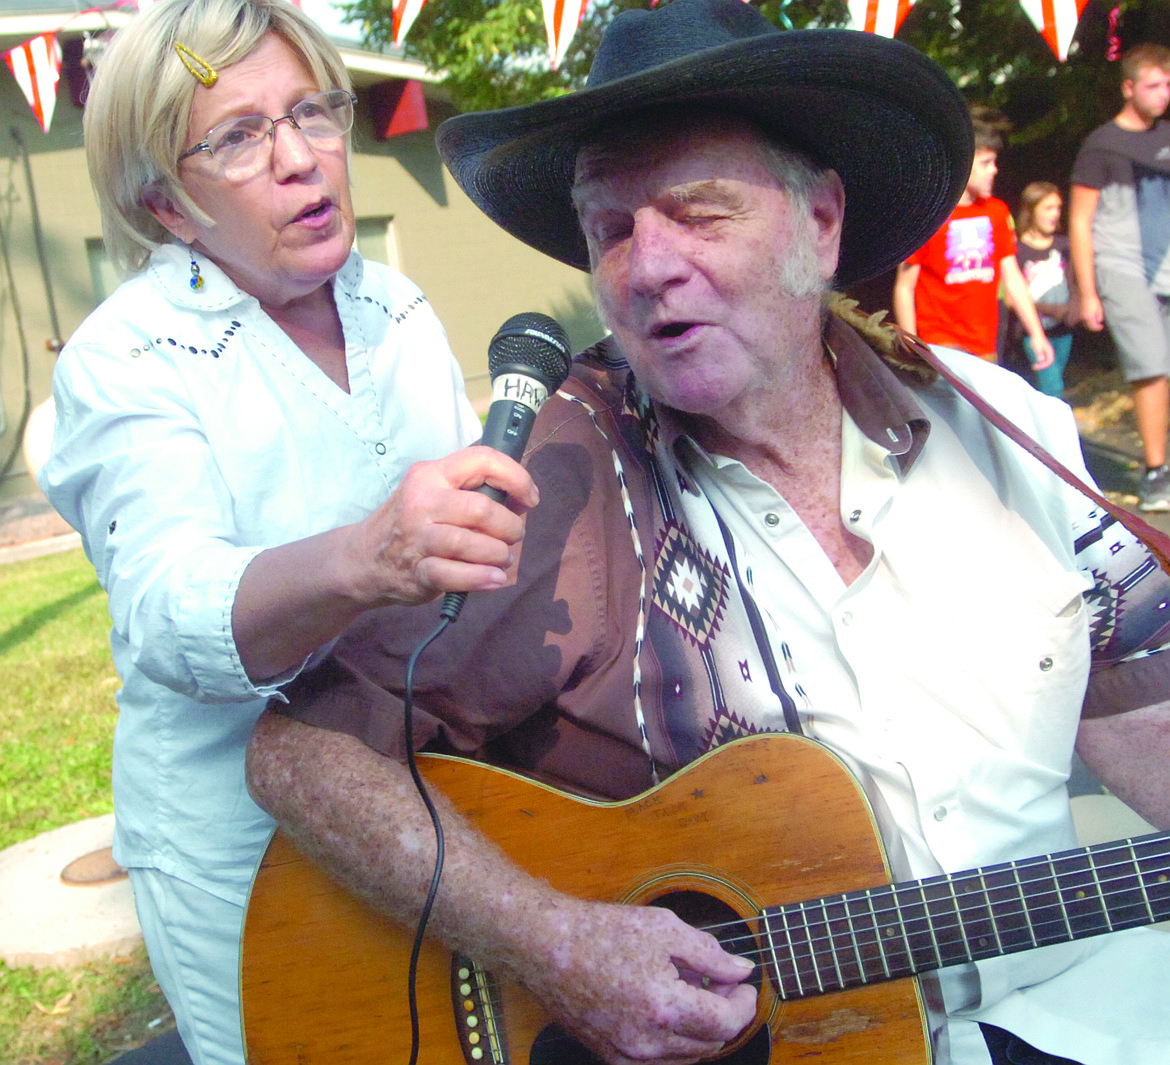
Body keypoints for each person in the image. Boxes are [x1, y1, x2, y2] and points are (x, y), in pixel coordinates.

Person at [246, 2, 1170, 1063]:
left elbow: (1147, 712)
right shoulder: (566, 479)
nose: (648, 267)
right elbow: (303, 754)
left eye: (700, 212)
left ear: (821, 223)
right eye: (612, 230)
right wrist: (555, 944)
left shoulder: (1018, 436)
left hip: (1086, 1010)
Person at [35, 1, 537, 1063]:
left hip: (419, 808)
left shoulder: (393, 308)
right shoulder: (127, 359)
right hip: (236, 843)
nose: (302, 160)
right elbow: (168, 612)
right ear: (165, 206)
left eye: (312, 113)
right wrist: (369, 557)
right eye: (239, 136)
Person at [1070, 43, 1170, 512]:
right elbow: (1080, 220)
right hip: (1121, 266)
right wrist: (1087, 290)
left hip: (1165, 267)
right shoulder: (1102, 144)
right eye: (1153, 84)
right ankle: (1154, 474)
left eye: (1168, 84)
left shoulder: (1166, 137)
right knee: (1151, 368)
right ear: (1128, 88)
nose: (1163, 93)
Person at [893, 107, 1055, 370]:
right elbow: (904, 286)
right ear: (964, 163)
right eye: (985, 163)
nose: (994, 170)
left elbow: (1012, 277)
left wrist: (1037, 333)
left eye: (994, 161)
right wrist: (911, 347)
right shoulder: (930, 215)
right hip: (940, 346)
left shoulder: (996, 211)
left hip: (985, 346)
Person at [1012, 181, 1080, 397]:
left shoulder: (1064, 245)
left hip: (1063, 329)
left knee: (1054, 382)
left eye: (1058, 207)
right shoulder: (1017, 250)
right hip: (1032, 332)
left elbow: (1074, 282)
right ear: (1031, 211)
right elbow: (1011, 297)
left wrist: (1073, 306)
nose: (1055, 214)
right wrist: (1050, 309)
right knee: (1052, 387)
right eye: (1048, 208)